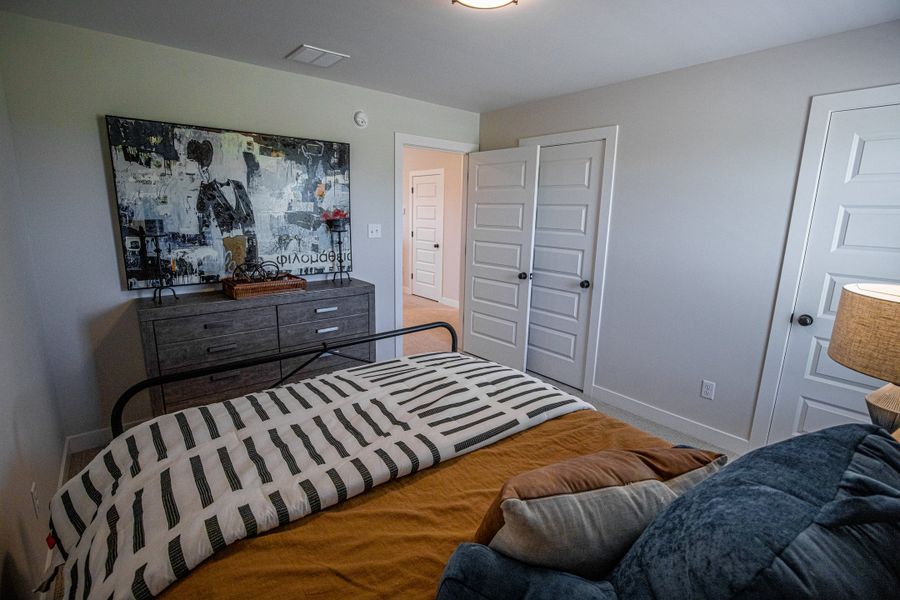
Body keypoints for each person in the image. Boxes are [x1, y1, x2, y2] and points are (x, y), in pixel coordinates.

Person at [188, 139, 258, 269]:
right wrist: (204, 184)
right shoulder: (208, 189)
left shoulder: (238, 185)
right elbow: (201, 209)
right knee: (229, 270)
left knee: (246, 269)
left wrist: (251, 233)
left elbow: (248, 209)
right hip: (223, 238)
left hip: (243, 235)